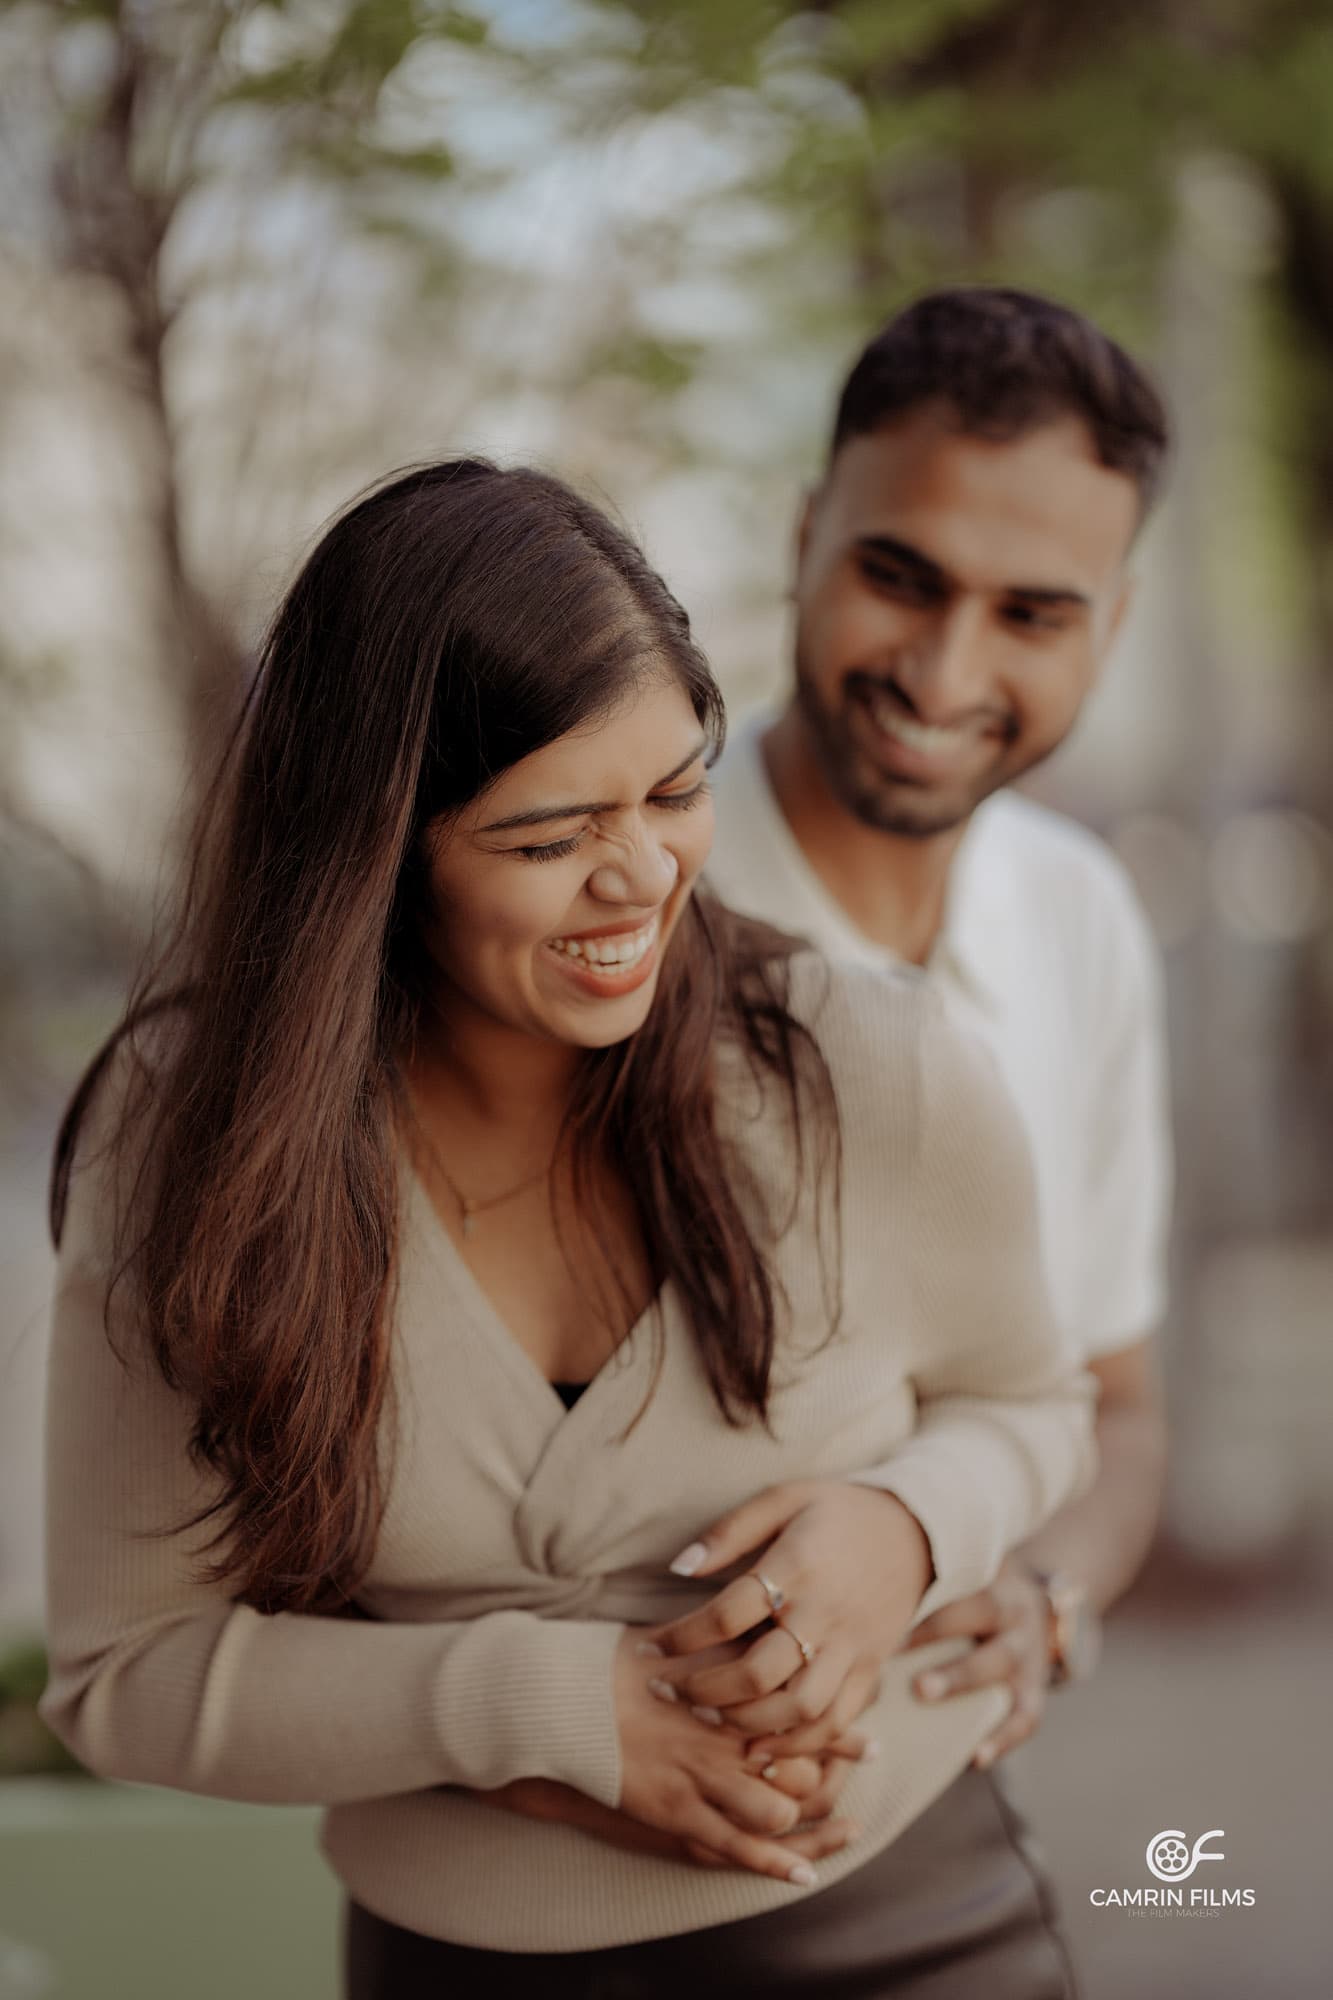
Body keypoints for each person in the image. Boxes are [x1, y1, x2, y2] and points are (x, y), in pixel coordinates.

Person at [39, 458, 1093, 1998]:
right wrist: (541, 1712)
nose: (642, 877)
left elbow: (1035, 1404)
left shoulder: (872, 1062)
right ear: (376, 852)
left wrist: (908, 1526)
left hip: (923, 1929)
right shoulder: (190, 1136)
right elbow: (125, 1671)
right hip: (463, 1967)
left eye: (676, 791)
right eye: (548, 838)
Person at [701, 286, 1174, 1982]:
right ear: (803, 539)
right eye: (899, 576)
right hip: (572, 1859)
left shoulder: (1081, 917)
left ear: (1109, 629)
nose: (944, 673)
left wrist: (1044, 1595)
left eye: (1030, 613)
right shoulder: (610, 901)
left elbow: (1116, 1414)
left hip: (931, 1846)